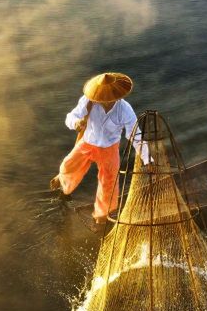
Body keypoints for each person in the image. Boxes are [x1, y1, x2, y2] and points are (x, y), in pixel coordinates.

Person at [50, 72, 145, 230]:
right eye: (103, 97)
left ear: (116, 95)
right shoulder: (88, 101)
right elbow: (70, 117)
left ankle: (101, 216)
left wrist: (146, 158)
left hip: (109, 148)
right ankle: (64, 184)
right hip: (88, 143)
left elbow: (135, 135)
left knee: (108, 183)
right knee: (68, 166)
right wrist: (76, 123)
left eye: (109, 98)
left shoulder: (125, 109)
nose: (106, 101)